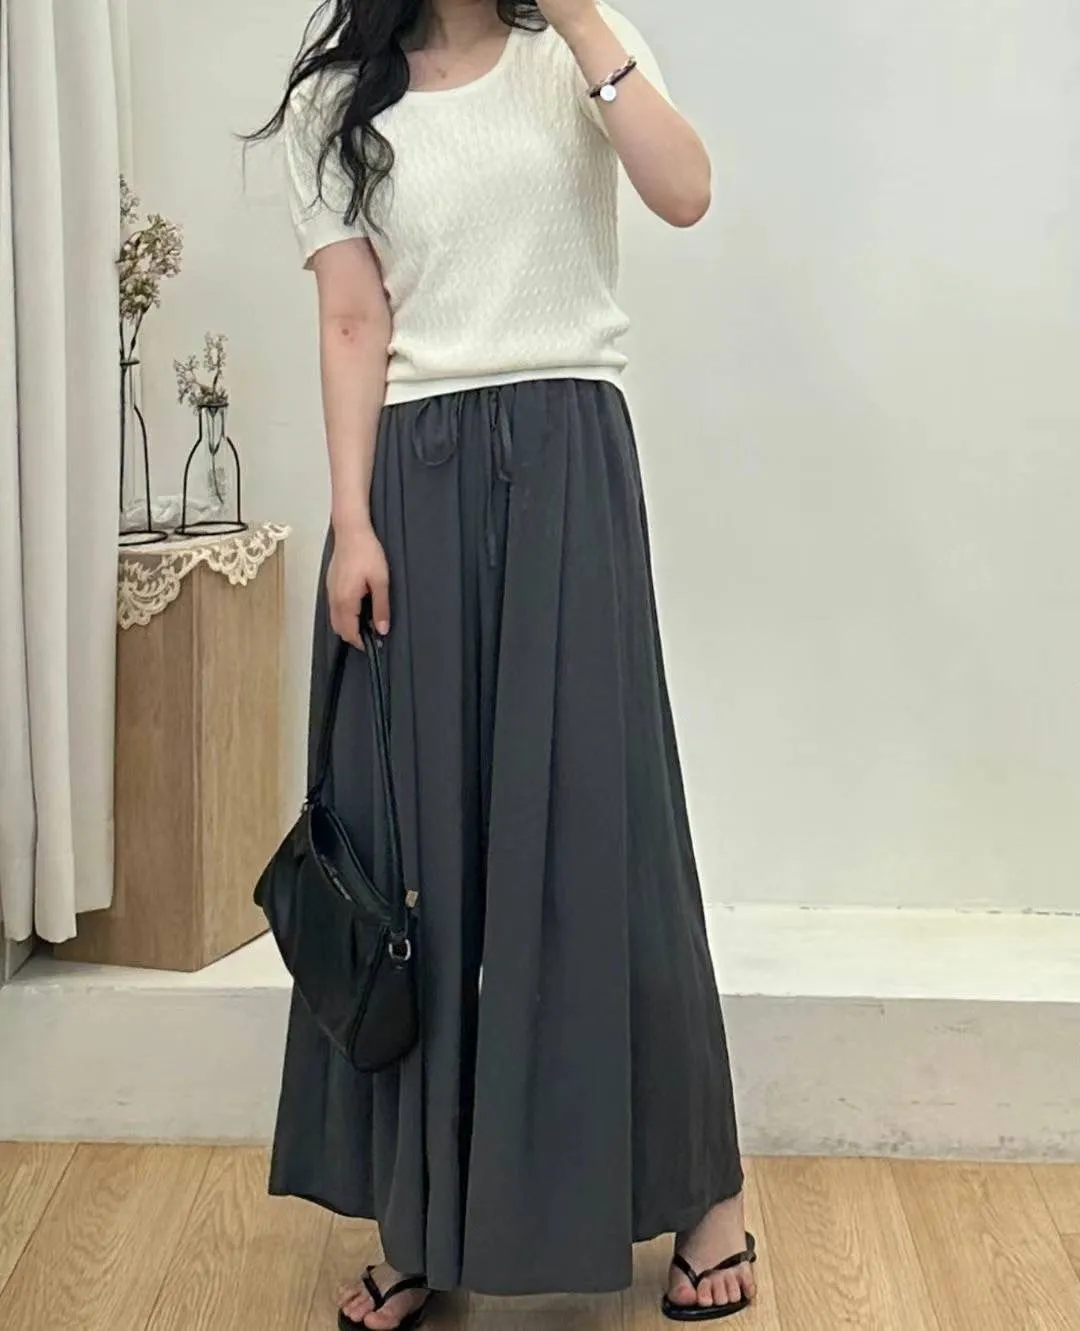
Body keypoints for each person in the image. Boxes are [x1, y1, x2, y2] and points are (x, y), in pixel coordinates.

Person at [254, 0, 756, 1325]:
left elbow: (686, 191)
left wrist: (584, 19)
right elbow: (352, 320)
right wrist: (352, 521)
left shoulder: (577, 52)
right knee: (419, 847)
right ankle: (421, 1218)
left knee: (610, 830)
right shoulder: (336, 105)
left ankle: (706, 1196)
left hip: (569, 460)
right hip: (413, 480)